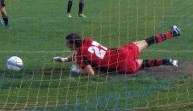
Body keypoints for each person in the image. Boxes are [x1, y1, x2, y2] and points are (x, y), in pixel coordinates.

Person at [52, 25, 182, 76]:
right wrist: (65, 59)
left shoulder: (80, 55)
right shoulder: (88, 41)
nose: (67, 45)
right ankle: (173, 32)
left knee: (143, 63)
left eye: (68, 44)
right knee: (147, 41)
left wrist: (78, 71)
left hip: (120, 66)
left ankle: (169, 61)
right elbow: (80, 52)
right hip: (122, 52)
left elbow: (90, 72)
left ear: (74, 43)